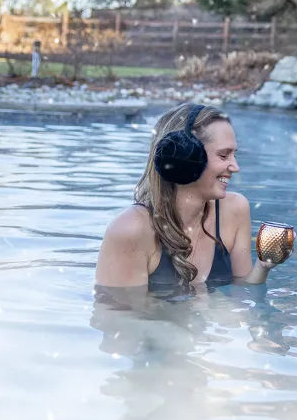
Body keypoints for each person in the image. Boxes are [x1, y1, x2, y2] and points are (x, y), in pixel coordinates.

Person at [95, 102, 282, 291]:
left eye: (234, 155)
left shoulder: (235, 209)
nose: (235, 167)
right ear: (185, 157)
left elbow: (243, 293)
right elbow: (116, 317)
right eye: (224, 156)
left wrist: (263, 266)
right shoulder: (130, 229)